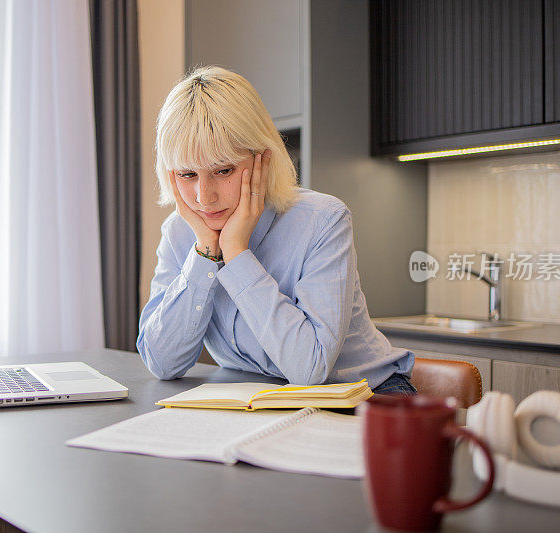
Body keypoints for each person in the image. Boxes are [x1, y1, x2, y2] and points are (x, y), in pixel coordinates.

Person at [136, 66, 415, 394]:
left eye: (223, 170)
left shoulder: (323, 220)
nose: (203, 197)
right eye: (186, 175)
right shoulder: (181, 234)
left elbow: (310, 369)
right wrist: (204, 254)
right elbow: (161, 363)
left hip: (369, 397)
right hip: (265, 397)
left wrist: (237, 252)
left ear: (260, 160)